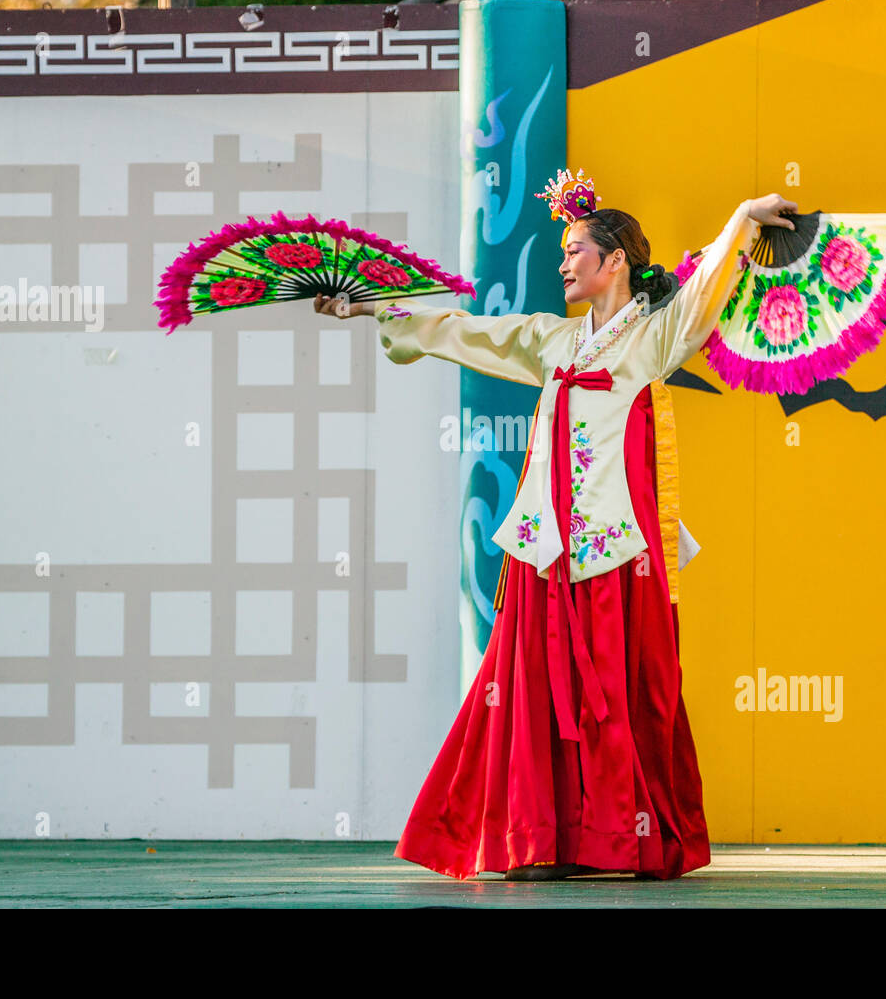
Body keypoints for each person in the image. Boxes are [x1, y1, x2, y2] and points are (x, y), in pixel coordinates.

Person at [315, 177, 797, 880]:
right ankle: (538, 838)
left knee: (620, 701)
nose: (564, 264)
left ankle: (618, 840)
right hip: (545, 553)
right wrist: (368, 309)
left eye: (575, 251)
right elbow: (463, 332)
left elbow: (702, 293)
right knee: (528, 703)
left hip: (615, 553)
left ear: (615, 263)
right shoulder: (554, 340)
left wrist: (742, 219)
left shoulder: (653, 337)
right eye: (564, 253)